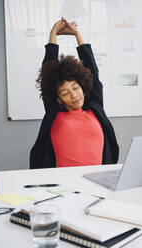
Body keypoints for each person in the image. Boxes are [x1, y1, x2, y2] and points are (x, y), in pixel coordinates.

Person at [29, 18, 119, 169]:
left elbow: (93, 71)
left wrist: (77, 34)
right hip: (62, 183)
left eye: (75, 88)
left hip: (97, 179)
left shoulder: (95, 107)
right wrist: (53, 34)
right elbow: (47, 73)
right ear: (58, 99)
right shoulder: (55, 112)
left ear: (83, 87)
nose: (74, 95)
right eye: (65, 93)